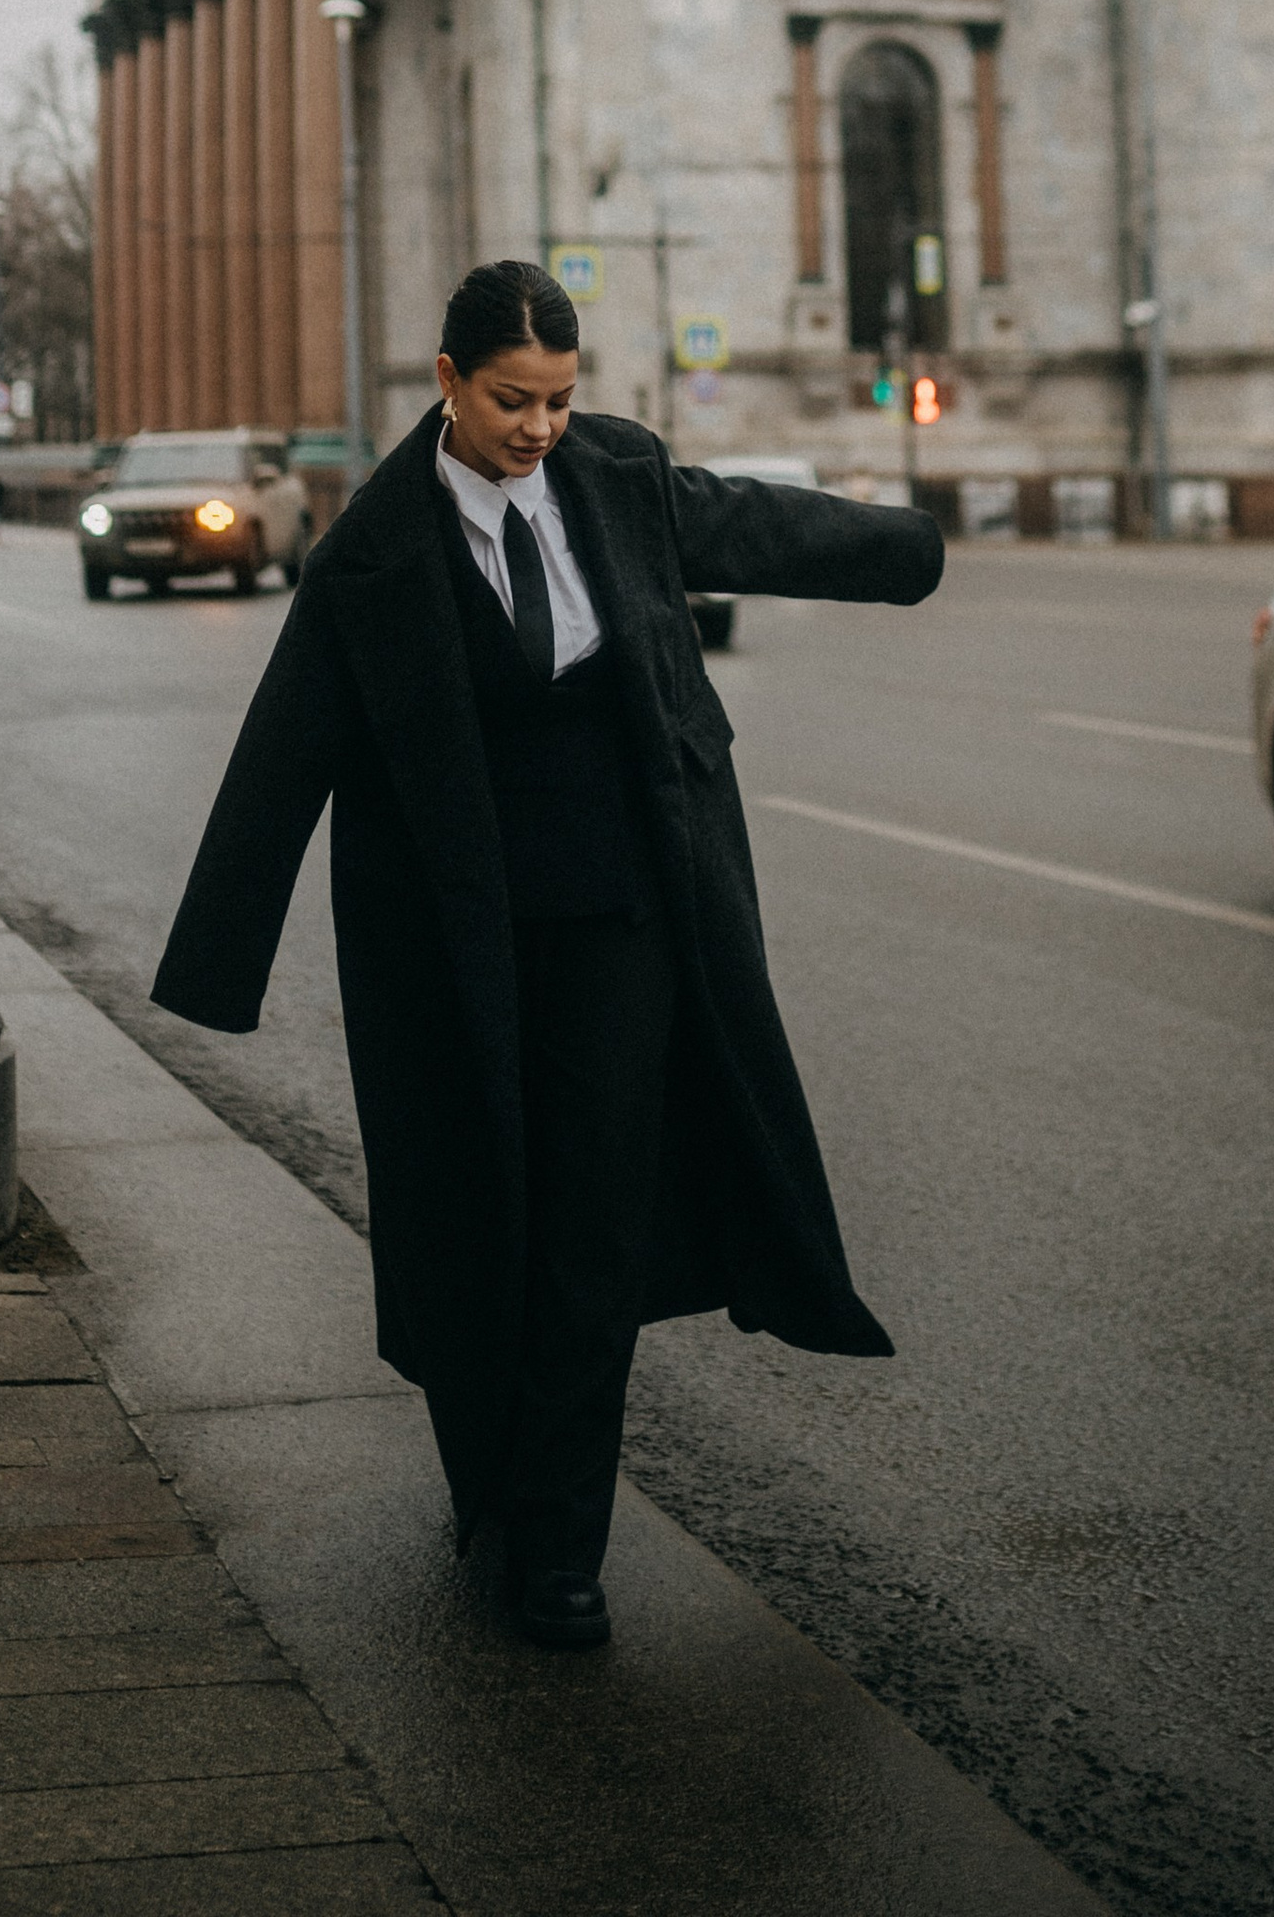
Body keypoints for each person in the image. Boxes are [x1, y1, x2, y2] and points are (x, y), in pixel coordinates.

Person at [152, 255, 941, 1651]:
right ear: (448, 382)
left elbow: (747, 525)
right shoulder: (376, 553)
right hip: (456, 946)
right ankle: (495, 1485)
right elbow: (286, 753)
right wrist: (217, 966)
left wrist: (908, 547)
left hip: (629, 917)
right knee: (475, 1224)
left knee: (590, 1226)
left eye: (563, 402)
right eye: (515, 401)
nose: (540, 429)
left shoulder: (615, 478)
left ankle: (566, 1551)